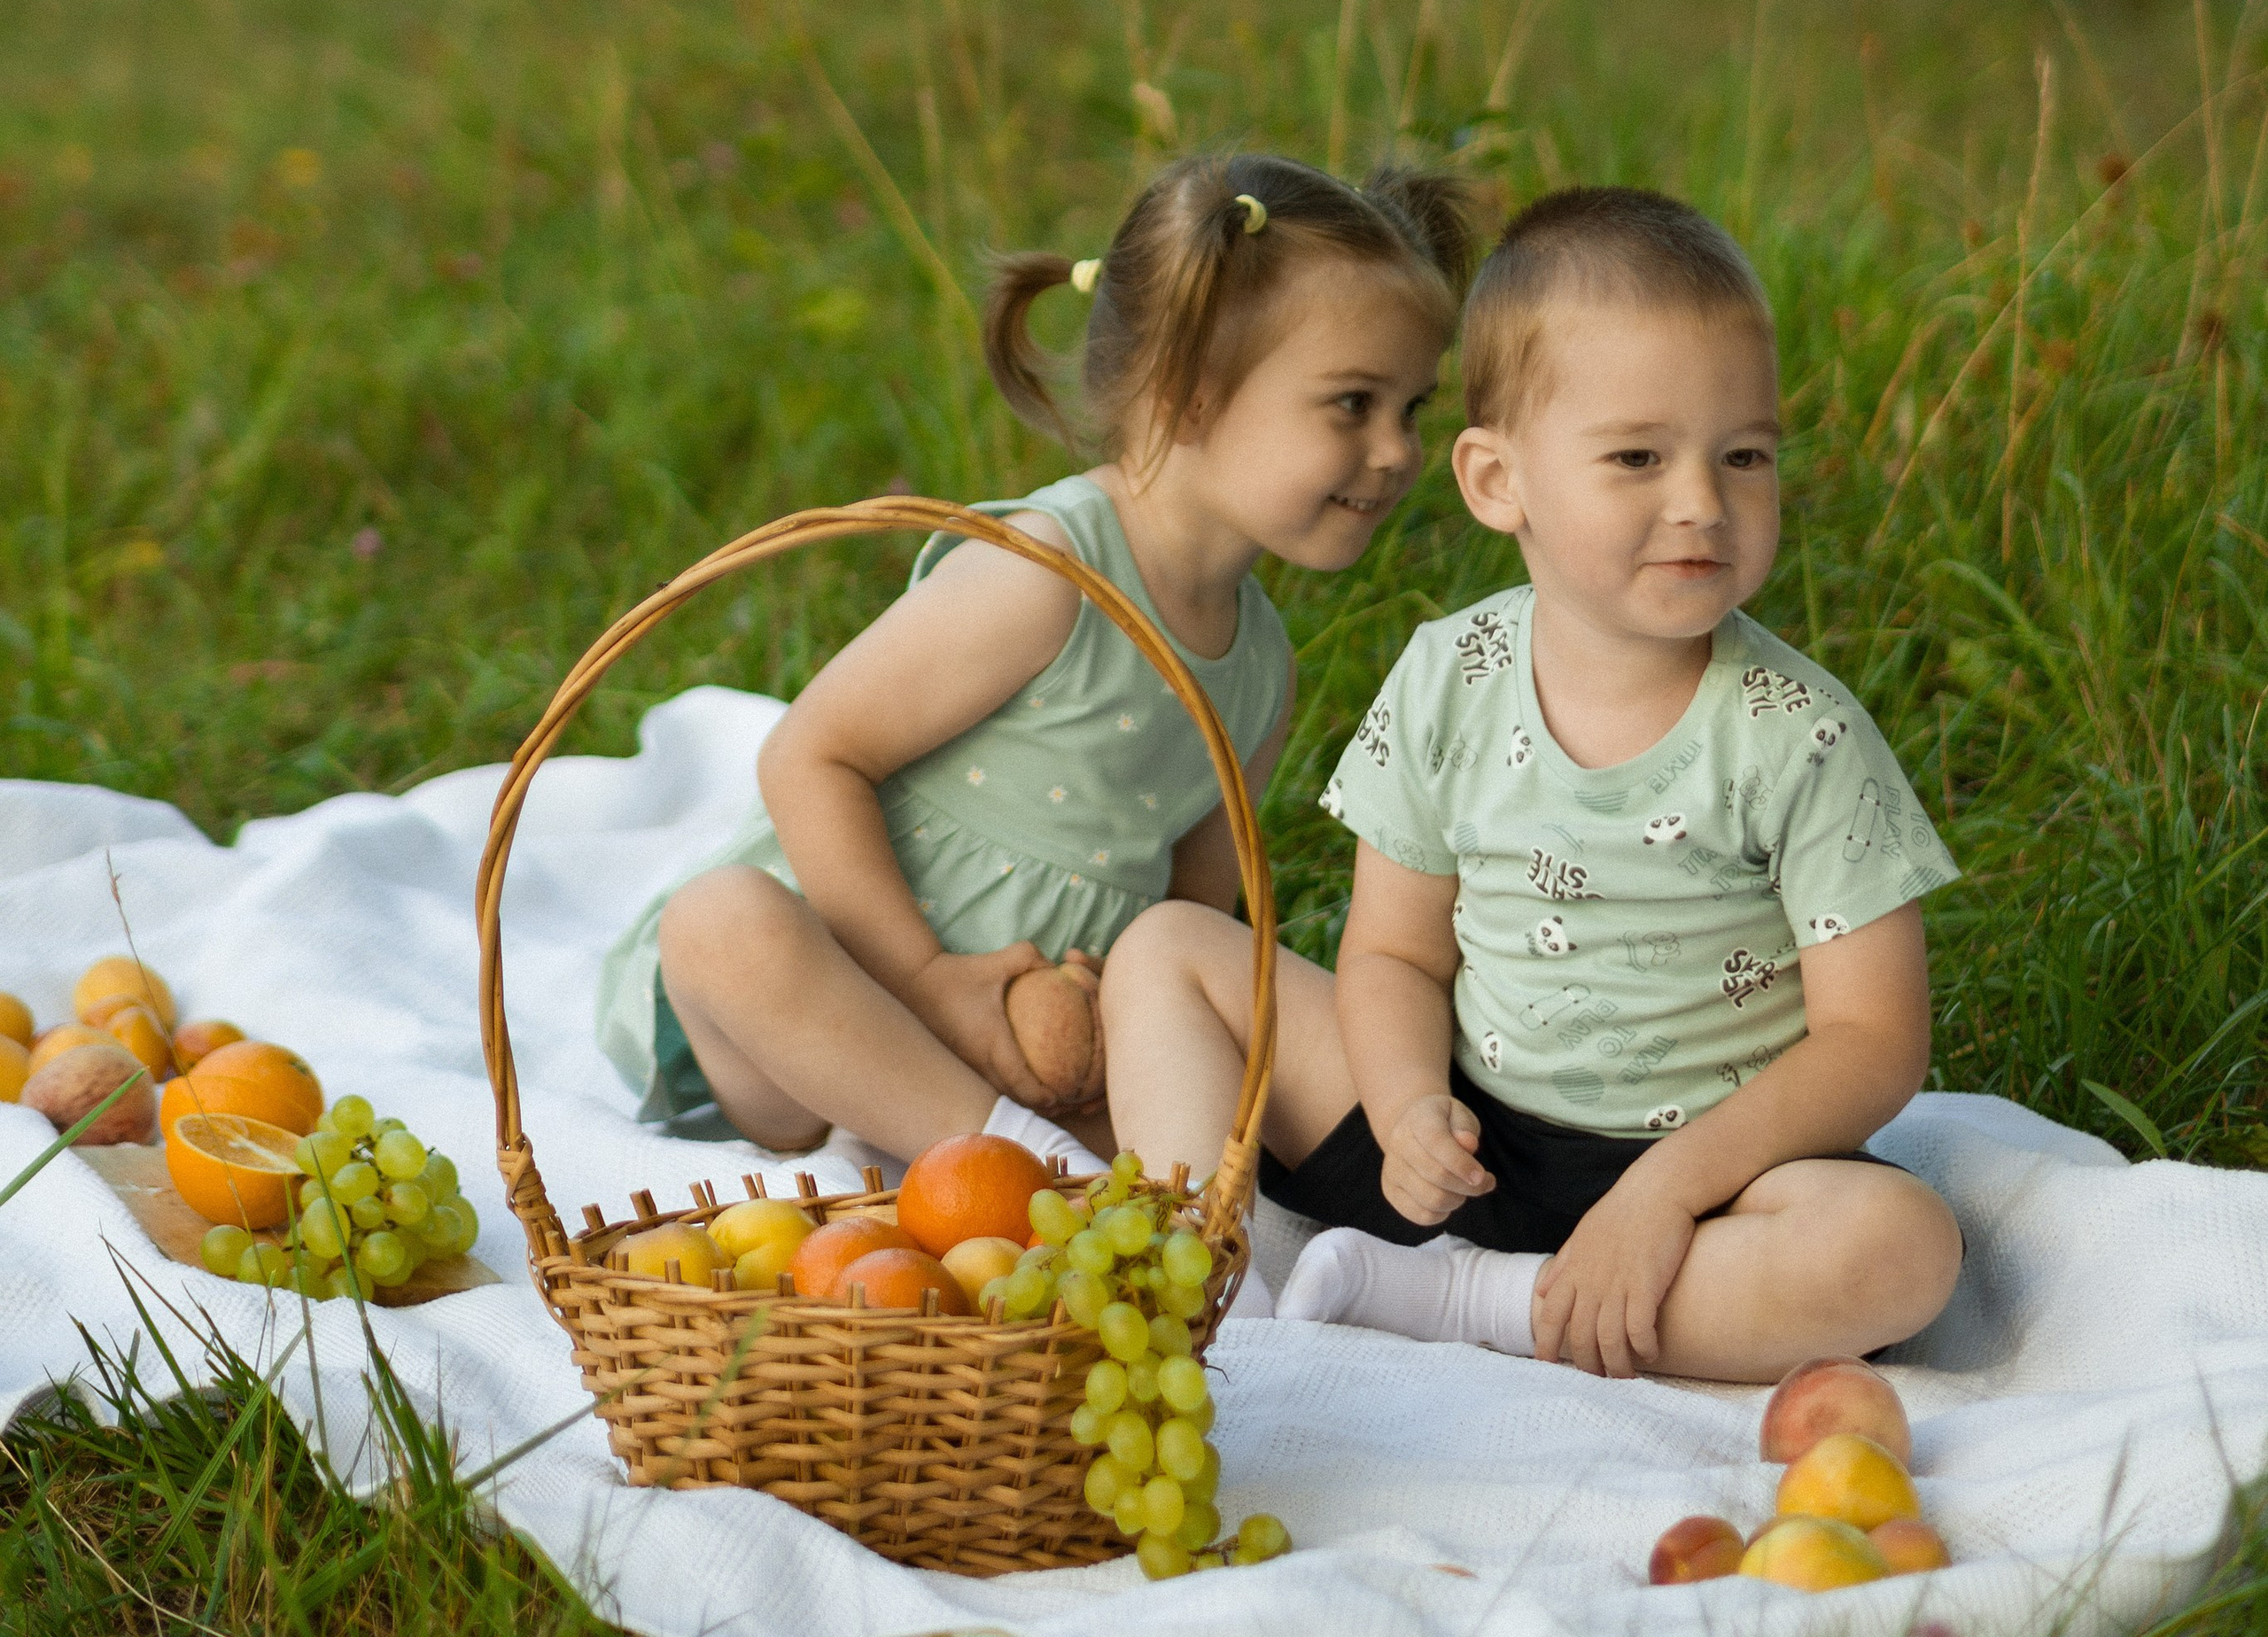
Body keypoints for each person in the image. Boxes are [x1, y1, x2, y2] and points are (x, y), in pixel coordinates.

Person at [1130, 182, 1965, 1380]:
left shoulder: (1798, 736)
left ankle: (1481, 1306)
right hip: (1462, 1133)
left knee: (1899, 1250)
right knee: (1167, 951)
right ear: (1495, 482)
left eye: (1744, 455)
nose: (1701, 503)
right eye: (1637, 455)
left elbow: (1873, 1040)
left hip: (1708, 1181)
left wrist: (1667, 1196)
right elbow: (1396, 955)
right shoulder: (1447, 678)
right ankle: (1203, 1281)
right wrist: (1410, 1104)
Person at [594, 148, 1473, 1195]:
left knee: (1216, 1087)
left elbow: (1181, 925)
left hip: (1034, 1044)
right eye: (1351, 404)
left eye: (1411, 408)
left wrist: (1103, 1034)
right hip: (840, 1003)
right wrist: (926, 982)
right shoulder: (1048, 572)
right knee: (720, 924)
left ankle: (1036, 1157)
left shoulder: (1258, 667)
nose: (1396, 451)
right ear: (1188, 396)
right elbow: (810, 757)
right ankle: (1015, 1166)